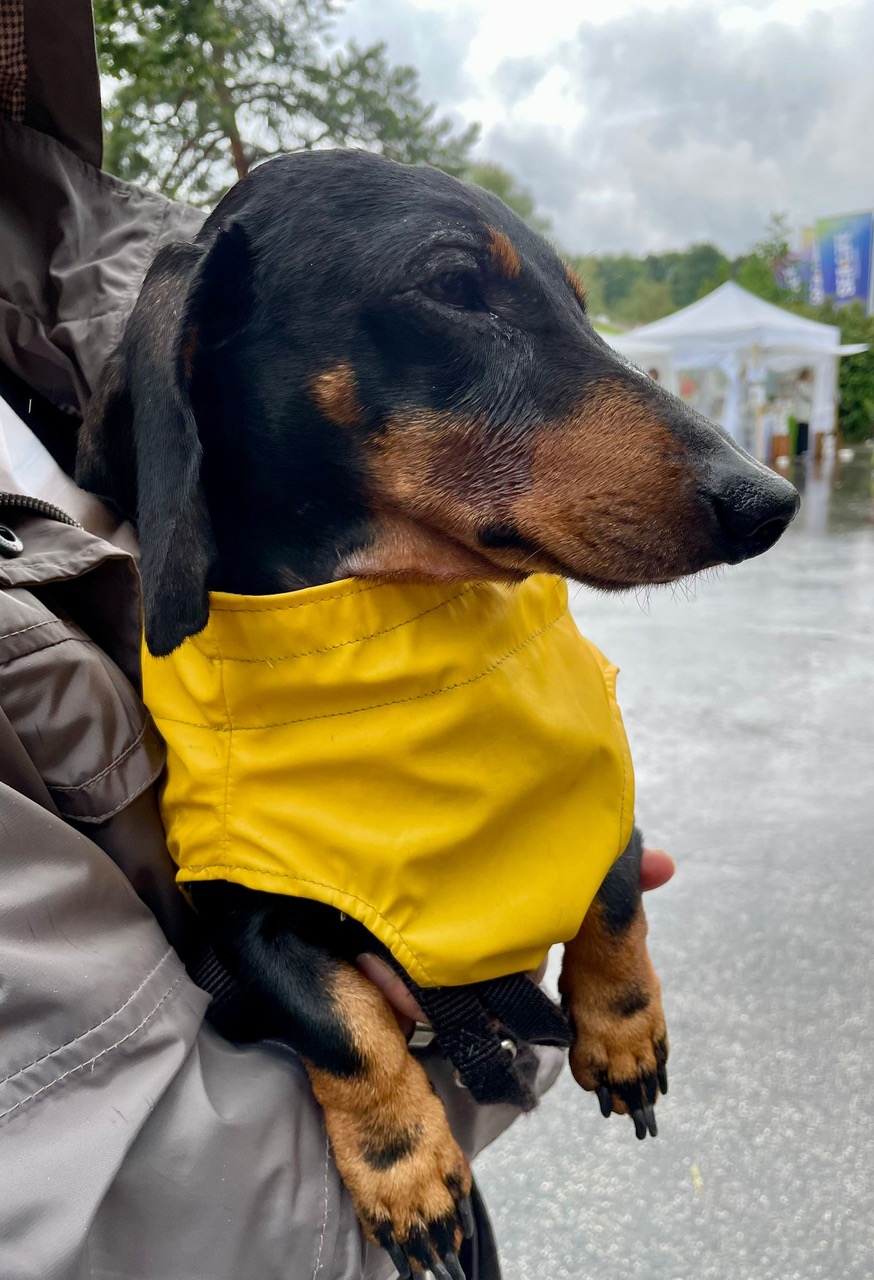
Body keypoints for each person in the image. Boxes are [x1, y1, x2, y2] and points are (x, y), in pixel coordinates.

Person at [0, 9, 675, 1278]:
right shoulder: (186, 312)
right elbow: (106, 1199)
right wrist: (450, 1034)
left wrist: (603, 934)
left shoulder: (210, 278)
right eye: (456, 290)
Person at [793, 368, 813, 458]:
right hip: (801, 413)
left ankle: (803, 450)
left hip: (805, 413)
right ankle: (800, 451)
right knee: (802, 432)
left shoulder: (806, 385)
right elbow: (808, 396)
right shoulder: (800, 385)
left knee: (804, 432)